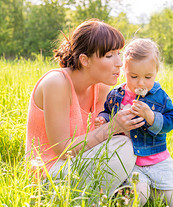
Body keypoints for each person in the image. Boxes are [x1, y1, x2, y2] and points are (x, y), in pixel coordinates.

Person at [25, 19, 145, 197]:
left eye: (119, 53)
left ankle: (101, 205)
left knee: (142, 190)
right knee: (124, 148)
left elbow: (101, 142)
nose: (119, 63)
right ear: (85, 60)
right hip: (48, 173)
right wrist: (113, 127)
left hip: (79, 163)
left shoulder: (101, 87)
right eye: (109, 55)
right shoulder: (57, 83)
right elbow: (64, 150)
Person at [95, 38, 173, 207]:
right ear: (124, 71)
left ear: (156, 72)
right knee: (138, 195)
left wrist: (151, 116)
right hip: (132, 162)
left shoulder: (159, 96)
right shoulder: (117, 94)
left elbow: (171, 121)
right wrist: (103, 119)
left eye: (148, 77)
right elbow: (108, 111)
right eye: (134, 77)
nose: (141, 83)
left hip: (157, 159)